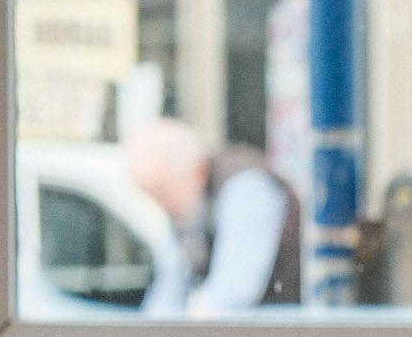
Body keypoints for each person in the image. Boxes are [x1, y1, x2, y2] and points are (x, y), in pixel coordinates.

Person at [122, 117, 301, 314]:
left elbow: (231, 295)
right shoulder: (183, 211)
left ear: (197, 172)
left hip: (284, 334)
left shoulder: (246, 190)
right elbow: (168, 290)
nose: (162, 206)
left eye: (162, 192)